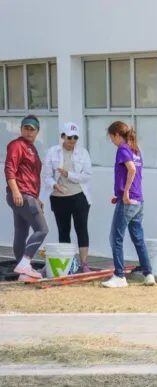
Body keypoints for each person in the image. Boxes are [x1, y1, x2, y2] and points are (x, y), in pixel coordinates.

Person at [101, 120, 155, 288]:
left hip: (128, 200)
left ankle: (119, 275)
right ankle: (148, 274)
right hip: (139, 200)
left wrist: (125, 192)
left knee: (116, 237)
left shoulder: (123, 149)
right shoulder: (135, 149)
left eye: (111, 137)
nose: (112, 141)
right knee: (138, 239)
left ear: (117, 135)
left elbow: (131, 169)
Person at [43, 122, 94, 273]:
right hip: (59, 198)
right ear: (63, 137)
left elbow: (87, 176)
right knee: (63, 230)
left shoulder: (83, 153)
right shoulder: (53, 152)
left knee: (81, 229)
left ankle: (84, 264)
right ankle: (68, 263)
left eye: (75, 138)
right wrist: (54, 185)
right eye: (69, 137)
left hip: (79, 196)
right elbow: (46, 176)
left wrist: (68, 174)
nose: (72, 141)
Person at [4, 115, 48, 280]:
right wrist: (15, 191)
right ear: (21, 129)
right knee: (42, 229)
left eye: (32, 129)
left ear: (37, 132)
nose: (29, 132)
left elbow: (32, 175)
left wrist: (36, 197)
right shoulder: (17, 145)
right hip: (20, 194)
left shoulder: (32, 148)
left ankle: (23, 272)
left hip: (27, 195)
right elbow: (10, 169)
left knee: (21, 232)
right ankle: (25, 262)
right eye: (26, 128)